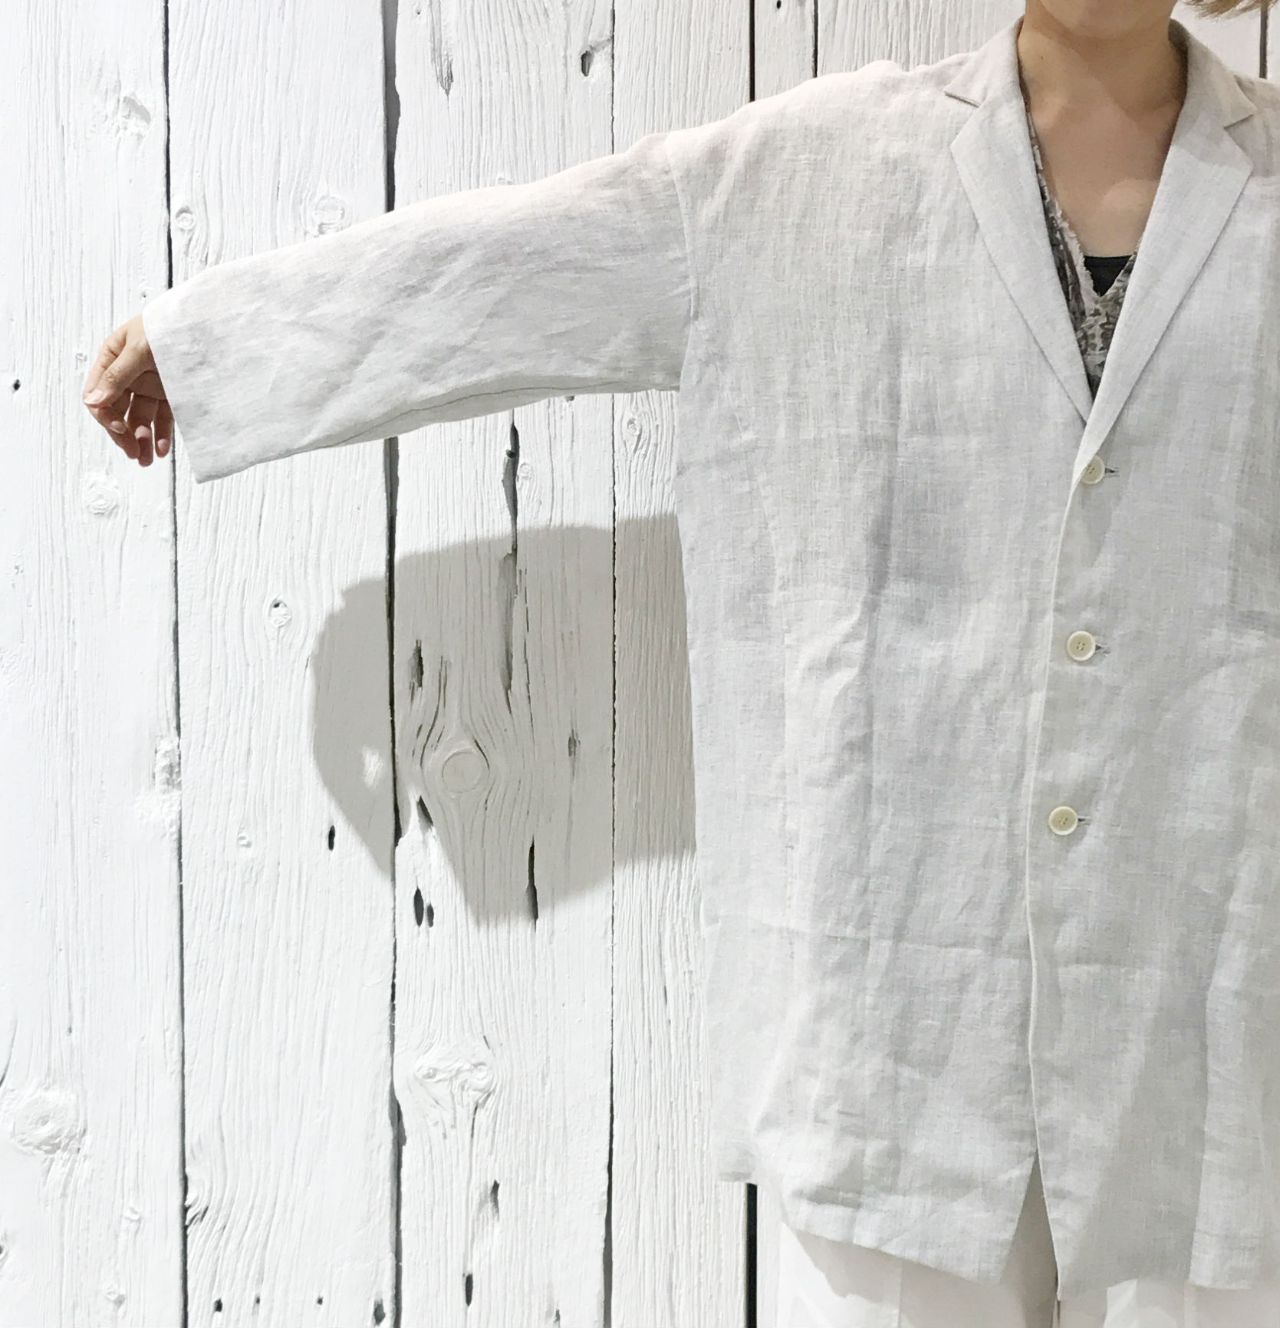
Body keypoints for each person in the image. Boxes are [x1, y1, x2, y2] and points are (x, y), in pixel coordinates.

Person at [81, 1, 1280, 1324]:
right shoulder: (810, 170)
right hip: (912, 995)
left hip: (1217, 978)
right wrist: (214, 345)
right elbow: (517, 266)